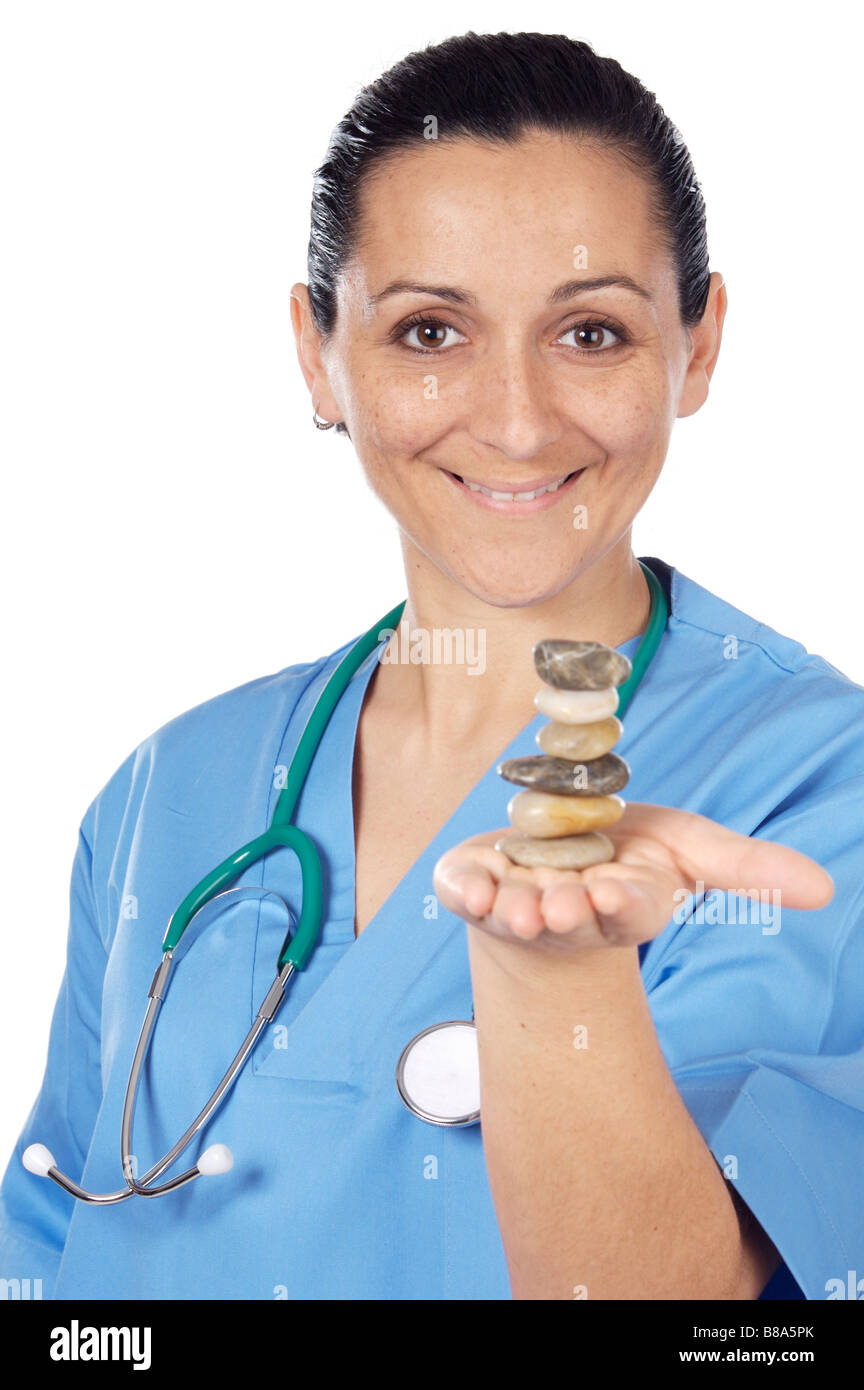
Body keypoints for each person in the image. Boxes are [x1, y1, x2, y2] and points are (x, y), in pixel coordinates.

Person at [1, 30, 861, 1302]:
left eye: (589, 332)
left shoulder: (815, 789)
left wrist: (559, 971)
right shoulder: (166, 790)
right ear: (318, 352)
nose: (515, 420)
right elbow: (49, 1250)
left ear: (702, 342)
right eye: (428, 330)